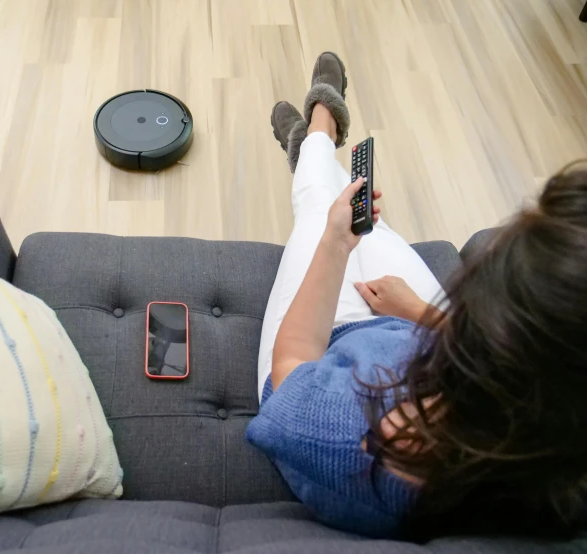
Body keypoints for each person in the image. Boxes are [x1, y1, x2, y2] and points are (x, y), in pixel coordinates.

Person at [246, 51, 587, 541]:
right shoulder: (560, 441)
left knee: (324, 210)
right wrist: (419, 312)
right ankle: (312, 152)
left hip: (322, 354)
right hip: (413, 329)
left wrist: (335, 243)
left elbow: (295, 358)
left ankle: (318, 130)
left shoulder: (343, 436)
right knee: (360, 217)